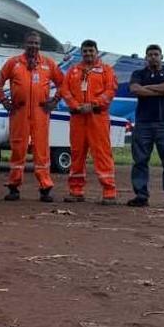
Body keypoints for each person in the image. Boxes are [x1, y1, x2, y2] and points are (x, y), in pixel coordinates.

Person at [0, 31, 63, 202]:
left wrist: (54, 101)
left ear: (40, 45)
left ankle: (45, 188)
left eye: (36, 43)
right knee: (18, 149)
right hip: (19, 112)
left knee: (41, 151)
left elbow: (63, 83)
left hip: (41, 113)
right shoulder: (14, 63)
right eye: (30, 43)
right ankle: (14, 187)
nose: (33, 46)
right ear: (24, 44)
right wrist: (4, 102)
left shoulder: (48, 64)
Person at [60, 39, 118, 205]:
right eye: (85, 51)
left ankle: (109, 192)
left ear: (96, 52)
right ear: (81, 52)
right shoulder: (73, 71)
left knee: (102, 154)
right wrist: (76, 106)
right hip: (78, 118)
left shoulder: (106, 70)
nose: (88, 54)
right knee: (77, 154)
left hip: (98, 118)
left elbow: (110, 91)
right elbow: (65, 90)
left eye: (91, 51)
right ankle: (76, 191)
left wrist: (93, 105)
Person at [127, 44, 164, 210]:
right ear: (146, 57)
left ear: (161, 56)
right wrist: (160, 90)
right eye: (150, 54)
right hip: (143, 123)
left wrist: (147, 89)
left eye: (156, 54)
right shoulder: (138, 73)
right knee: (140, 161)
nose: (153, 57)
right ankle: (141, 196)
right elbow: (134, 89)